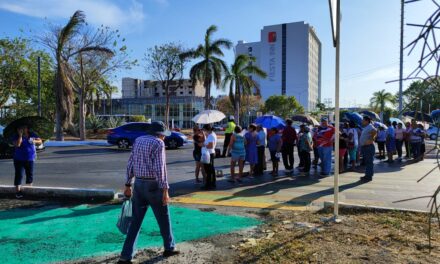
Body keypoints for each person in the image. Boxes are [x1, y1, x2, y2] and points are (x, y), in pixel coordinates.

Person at [118, 121, 179, 264]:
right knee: (163, 218)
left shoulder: (138, 140)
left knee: (135, 222)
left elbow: (131, 163)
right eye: (164, 135)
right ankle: (169, 247)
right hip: (154, 185)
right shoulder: (158, 143)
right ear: (160, 134)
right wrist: (165, 190)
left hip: (138, 184)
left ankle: (126, 256)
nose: (164, 138)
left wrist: (128, 184)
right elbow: (160, 168)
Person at [13, 125, 42, 199]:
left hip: (30, 158)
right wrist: (20, 136)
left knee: (30, 175)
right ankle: (18, 192)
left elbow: (40, 141)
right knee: (19, 175)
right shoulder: (16, 136)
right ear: (17, 129)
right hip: (19, 159)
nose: (22, 129)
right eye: (20, 128)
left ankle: (29, 191)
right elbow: (18, 145)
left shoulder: (32, 134)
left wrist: (34, 141)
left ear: (27, 128)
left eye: (24, 127)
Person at [359, 116, 377, 182]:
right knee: (368, 162)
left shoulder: (370, 126)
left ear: (367, 121)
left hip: (368, 147)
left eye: (363, 120)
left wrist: (371, 139)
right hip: (365, 147)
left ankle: (368, 176)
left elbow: (375, 131)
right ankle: (367, 175)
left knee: (369, 162)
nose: (362, 121)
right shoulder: (367, 127)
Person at [202, 124, 217, 189]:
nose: (204, 131)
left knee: (208, 170)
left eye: (204, 130)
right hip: (210, 153)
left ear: (206, 129)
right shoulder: (212, 134)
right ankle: (212, 183)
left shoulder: (211, 136)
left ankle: (208, 184)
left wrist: (203, 145)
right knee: (211, 169)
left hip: (209, 154)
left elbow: (211, 146)